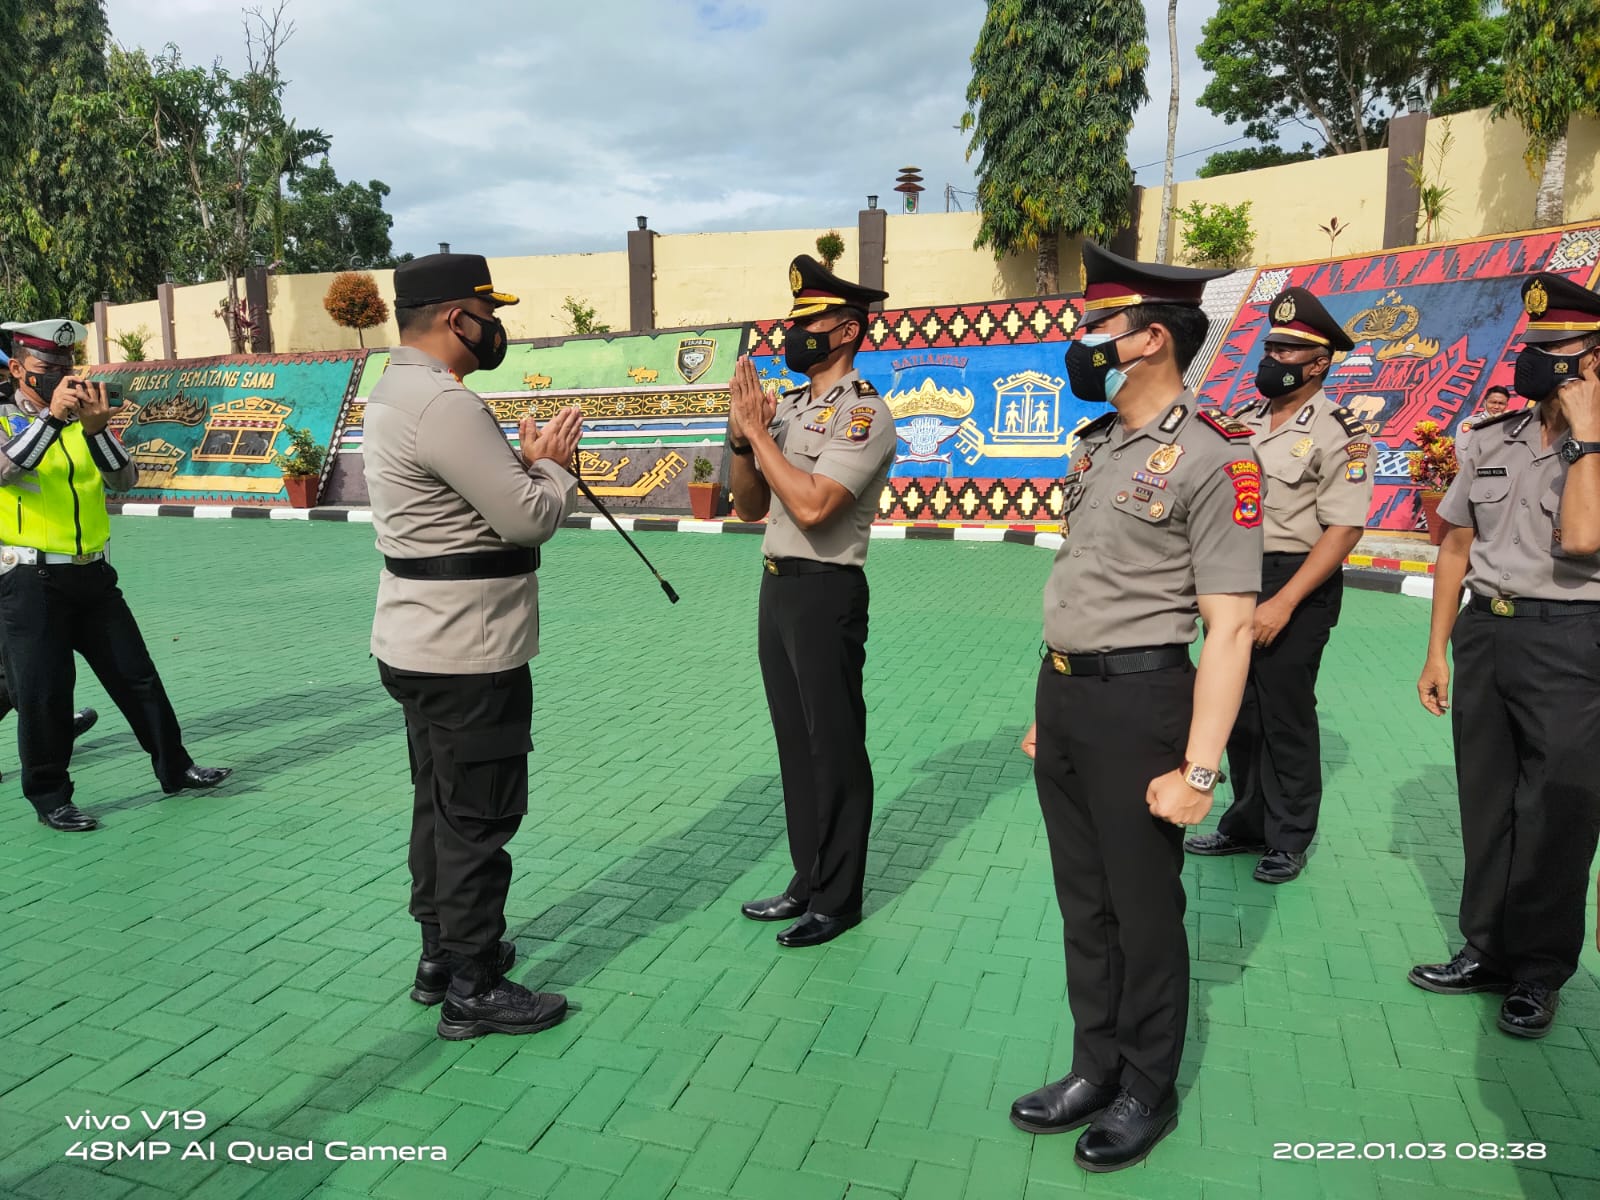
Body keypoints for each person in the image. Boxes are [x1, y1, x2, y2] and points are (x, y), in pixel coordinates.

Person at [1009, 242, 1260, 1173]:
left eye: (1097, 330)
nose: (1082, 345)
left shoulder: (1214, 457)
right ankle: (1094, 1066)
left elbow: (1229, 630)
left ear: (1151, 338)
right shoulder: (1098, 446)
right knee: (1085, 904)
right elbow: (1087, 580)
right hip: (1068, 696)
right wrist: (1053, 697)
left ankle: (1147, 1085)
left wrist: (1200, 770)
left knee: (1144, 909)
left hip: (1145, 703)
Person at [365, 253, 584, 1040]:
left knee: (439, 806)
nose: (498, 329)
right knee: (477, 818)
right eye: (490, 315)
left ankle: (439, 956)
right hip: (470, 649)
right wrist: (554, 468)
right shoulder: (447, 403)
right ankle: (474, 982)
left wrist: (522, 466)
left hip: (416, 639)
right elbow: (527, 517)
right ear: (459, 319)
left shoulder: (392, 391)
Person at [1412, 272, 1600, 1040]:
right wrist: (1437, 651)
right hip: (1485, 632)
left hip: (1571, 640)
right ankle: (1485, 950)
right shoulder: (1491, 438)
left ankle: (1537, 972)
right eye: (1534, 349)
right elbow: (1455, 543)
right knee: (1486, 801)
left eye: (1558, 351)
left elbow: (1585, 539)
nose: (1539, 364)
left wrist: (1588, 433)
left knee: (1554, 812)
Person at [0, 319, 230, 832]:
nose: (62, 378)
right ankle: (50, 797)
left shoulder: (85, 420)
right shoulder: (6, 419)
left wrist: (97, 430)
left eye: (67, 368)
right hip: (29, 581)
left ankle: (176, 768)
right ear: (17, 369)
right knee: (44, 693)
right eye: (47, 370)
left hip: (93, 575)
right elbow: (5, 471)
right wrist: (53, 421)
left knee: (137, 676)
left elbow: (125, 480)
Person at [728, 255, 895, 949]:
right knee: (796, 746)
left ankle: (838, 896)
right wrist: (743, 438)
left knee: (835, 746)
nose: (795, 333)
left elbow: (817, 506)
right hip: (777, 587)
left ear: (848, 330)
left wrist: (761, 435)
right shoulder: (791, 408)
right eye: (793, 321)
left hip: (827, 591)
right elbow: (748, 506)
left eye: (810, 321)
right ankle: (808, 875)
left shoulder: (863, 414)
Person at [1184, 288, 1373, 883]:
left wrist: (1285, 603)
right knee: (1238, 710)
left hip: (1297, 580)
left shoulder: (1342, 432)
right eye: (1270, 346)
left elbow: (1344, 528)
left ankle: (1289, 837)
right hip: (1236, 576)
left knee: (1286, 713)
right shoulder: (1243, 422)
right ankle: (1246, 823)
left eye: (1288, 349)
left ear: (1319, 363)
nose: (1274, 357)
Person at [1456, 384, 1511, 455]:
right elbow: (1463, 452)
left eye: (1501, 403)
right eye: (1493, 402)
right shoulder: (1471, 423)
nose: (1496, 407)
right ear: (1484, 403)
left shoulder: (1510, 425)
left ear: (1506, 405)